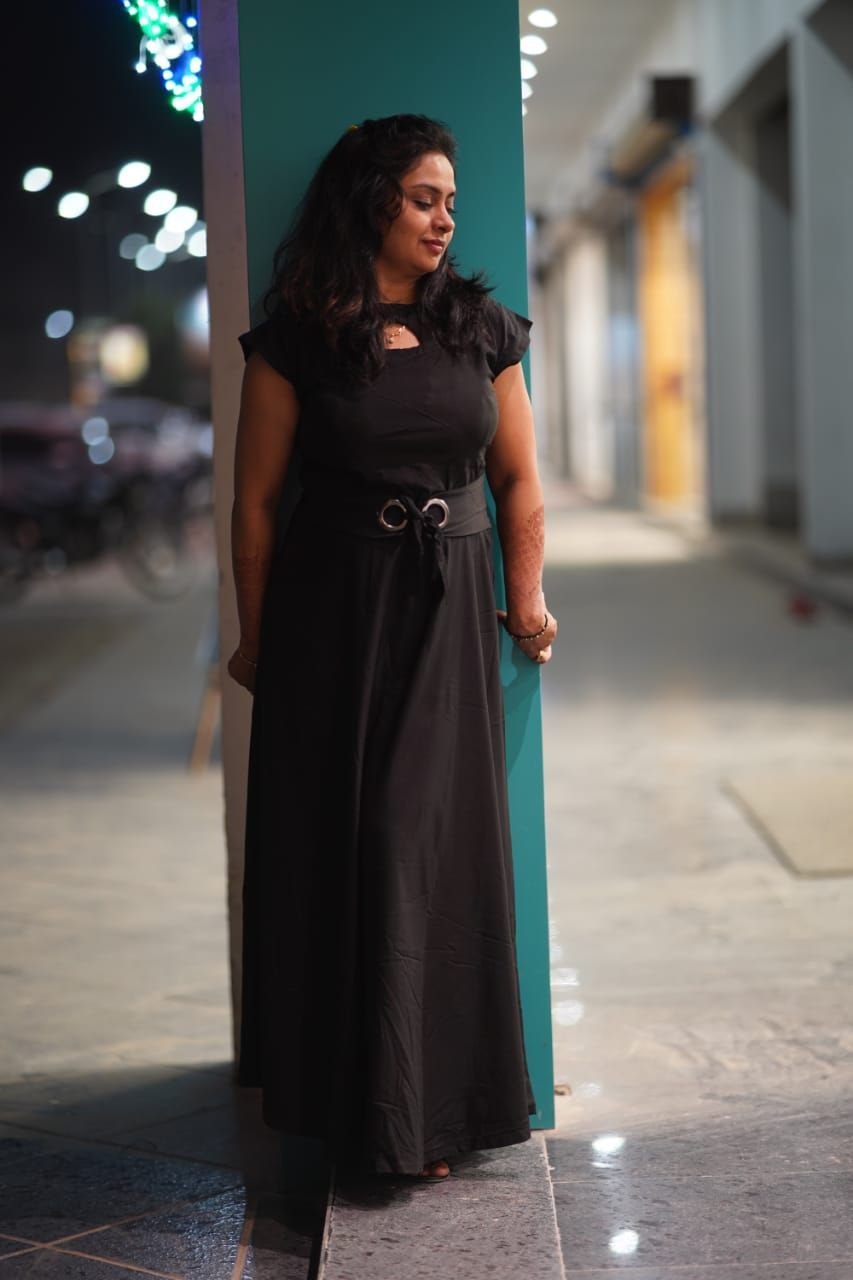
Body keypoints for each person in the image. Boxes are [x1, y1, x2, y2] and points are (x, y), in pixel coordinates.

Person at [228, 113, 557, 1184]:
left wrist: (526, 598)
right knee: (343, 849)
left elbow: (518, 479)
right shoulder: (298, 337)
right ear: (370, 201)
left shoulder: (480, 327)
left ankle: (430, 1111)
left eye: (450, 202)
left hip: (449, 604)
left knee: (424, 849)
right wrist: (255, 637)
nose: (443, 219)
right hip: (333, 614)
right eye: (423, 199)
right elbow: (255, 503)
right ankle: (362, 1114)